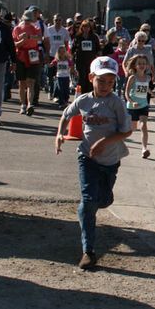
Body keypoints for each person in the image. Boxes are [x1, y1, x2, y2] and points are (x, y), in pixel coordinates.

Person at [55, 56, 132, 269]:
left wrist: (105, 141)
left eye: (110, 81)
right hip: (87, 158)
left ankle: (91, 205)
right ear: (91, 78)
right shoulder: (84, 100)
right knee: (89, 201)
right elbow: (66, 115)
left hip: (110, 161)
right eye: (101, 80)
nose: (106, 85)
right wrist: (59, 135)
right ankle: (88, 251)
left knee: (103, 201)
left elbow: (127, 131)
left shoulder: (116, 103)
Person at [125, 54, 155, 159]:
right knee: (132, 128)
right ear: (135, 65)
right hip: (132, 106)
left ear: (147, 66)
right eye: (139, 63)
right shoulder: (132, 77)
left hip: (143, 105)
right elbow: (126, 93)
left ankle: (144, 149)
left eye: (144, 64)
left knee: (143, 126)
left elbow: (146, 89)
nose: (142, 65)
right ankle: (118, 141)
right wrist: (131, 101)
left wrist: (154, 95)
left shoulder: (148, 78)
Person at [12, 10, 44, 116]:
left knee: (31, 82)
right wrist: (22, 40)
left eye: (29, 20)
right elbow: (15, 44)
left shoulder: (36, 28)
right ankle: (23, 105)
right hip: (21, 56)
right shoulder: (17, 28)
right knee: (22, 83)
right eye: (26, 20)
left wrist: (29, 37)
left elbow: (40, 38)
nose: (27, 22)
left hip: (33, 55)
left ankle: (30, 104)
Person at [45, 14, 71, 100]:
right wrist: (47, 54)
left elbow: (66, 44)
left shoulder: (65, 31)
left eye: (59, 20)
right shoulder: (49, 30)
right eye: (56, 20)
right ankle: (51, 90)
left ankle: (57, 94)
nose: (58, 22)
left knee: (59, 75)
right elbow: (46, 42)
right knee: (50, 75)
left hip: (61, 57)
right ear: (53, 20)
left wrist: (66, 55)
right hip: (52, 54)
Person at [72, 19, 101, 93]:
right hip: (80, 61)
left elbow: (98, 49)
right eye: (84, 27)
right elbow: (73, 49)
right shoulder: (78, 37)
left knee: (90, 77)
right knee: (81, 78)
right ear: (82, 28)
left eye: (87, 27)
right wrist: (72, 59)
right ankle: (81, 94)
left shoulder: (94, 37)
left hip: (91, 61)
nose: (86, 29)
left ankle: (90, 92)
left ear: (90, 28)